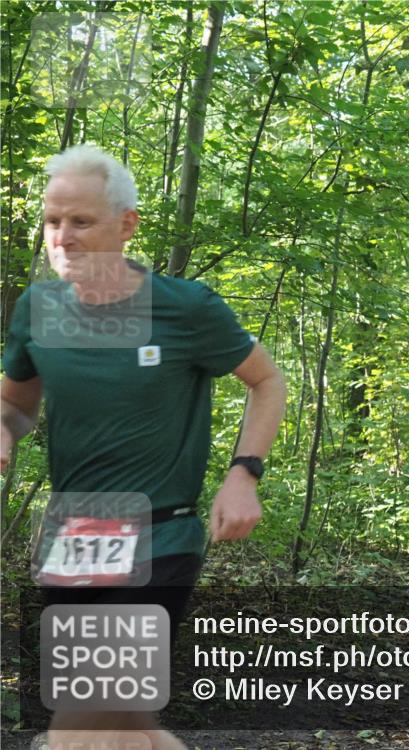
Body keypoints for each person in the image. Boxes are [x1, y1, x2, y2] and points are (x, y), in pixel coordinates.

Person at [0, 144, 287, 749]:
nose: (62, 237)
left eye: (81, 221)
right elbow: (15, 406)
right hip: (74, 539)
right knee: (122, 722)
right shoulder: (39, 309)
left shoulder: (185, 308)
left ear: (127, 225)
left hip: (161, 534)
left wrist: (244, 474)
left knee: (93, 713)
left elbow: (267, 381)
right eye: (53, 221)